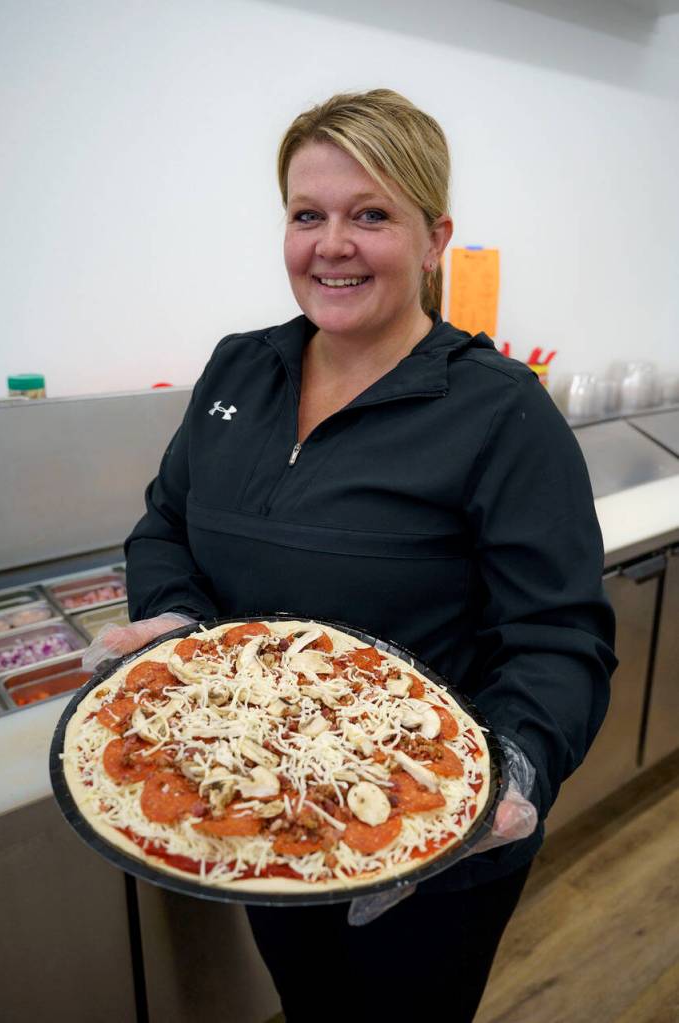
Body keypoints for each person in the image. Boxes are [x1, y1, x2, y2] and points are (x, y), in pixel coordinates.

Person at [87, 89, 617, 1021]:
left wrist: (512, 767)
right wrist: (177, 622)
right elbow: (165, 524)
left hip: (431, 850)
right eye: (308, 214)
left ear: (432, 237)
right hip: (255, 803)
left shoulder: (502, 411)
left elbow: (559, 635)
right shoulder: (239, 367)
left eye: (370, 214)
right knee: (310, 1002)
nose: (332, 244)